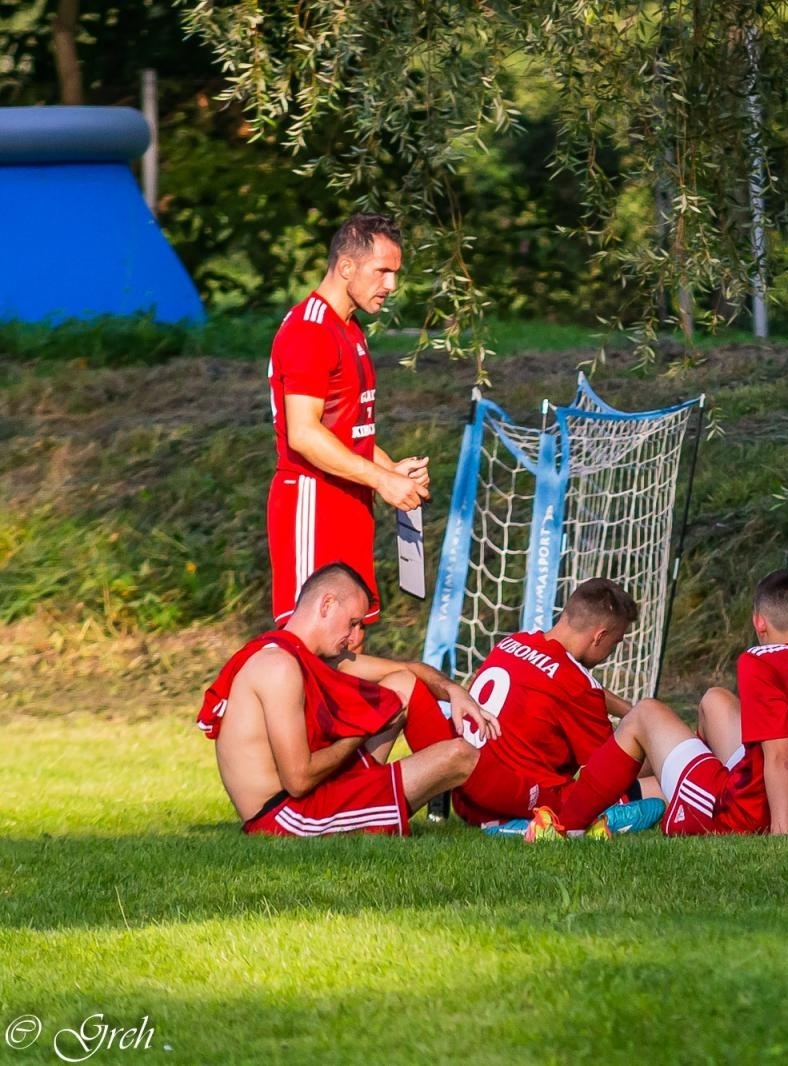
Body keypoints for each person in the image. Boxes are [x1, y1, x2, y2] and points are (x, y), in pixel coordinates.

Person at [554, 569, 788, 836]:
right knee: (715, 699)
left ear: (758, 622)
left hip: (748, 817)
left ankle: (563, 824)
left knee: (646, 713)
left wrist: (782, 842)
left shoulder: (761, 661)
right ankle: (658, 789)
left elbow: (782, 757)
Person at [199, 563, 497, 836]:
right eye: (353, 622)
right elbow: (298, 780)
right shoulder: (279, 667)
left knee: (402, 685)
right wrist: (362, 729)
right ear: (327, 604)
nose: (355, 637)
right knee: (459, 755)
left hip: (303, 797)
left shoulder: (298, 653)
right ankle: (500, 810)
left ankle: (412, 791)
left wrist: (454, 691)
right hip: (285, 817)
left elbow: (409, 670)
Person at [266, 213, 432, 627]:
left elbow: (348, 432)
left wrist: (391, 468)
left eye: (396, 273)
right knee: (307, 641)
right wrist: (383, 480)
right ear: (345, 267)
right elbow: (304, 434)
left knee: (350, 634)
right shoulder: (310, 331)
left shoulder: (349, 328)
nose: (391, 286)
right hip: (312, 499)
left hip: (350, 502)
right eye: (383, 272)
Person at [407, 578, 645, 826]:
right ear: (599, 636)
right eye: (614, 643)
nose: (611, 654)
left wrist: (629, 711)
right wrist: (646, 737)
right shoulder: (578, 686)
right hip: (509, 800)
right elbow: (615, 768)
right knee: (647, 790)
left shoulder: (514, 642)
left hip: (463, 789)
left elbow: (559, 681)